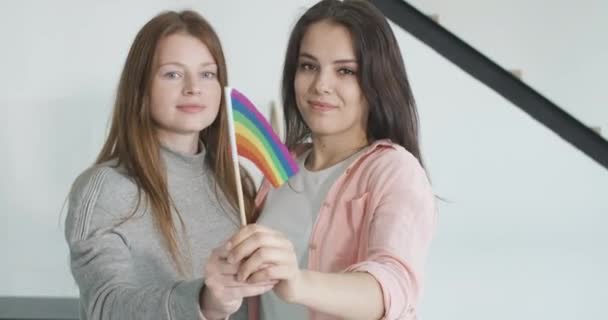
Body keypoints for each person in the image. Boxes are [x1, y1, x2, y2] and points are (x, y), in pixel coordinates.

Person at [225, 1, 437, 319]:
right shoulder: (282, 166)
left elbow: (393, 287)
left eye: (345, 71)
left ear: (376, 81)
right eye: (308, 66)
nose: (321, 85)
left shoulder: (394, 171)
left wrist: (298, 282)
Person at [64, 10, 274, 320]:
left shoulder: (236, 183)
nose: (193, 87)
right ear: (141, 88)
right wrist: (203, 301)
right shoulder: (105, 188)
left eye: (208, 74)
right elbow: (105, 306)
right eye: (173, 74)